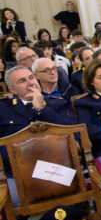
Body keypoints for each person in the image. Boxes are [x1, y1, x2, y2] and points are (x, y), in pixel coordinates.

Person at [1, 65, 73, 206]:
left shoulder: (56, 104)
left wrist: (42, 108)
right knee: (15, 198)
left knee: (71, 190)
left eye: (31, 78)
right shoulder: (3, 109)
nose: (30, 83)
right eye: (22, 81)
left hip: (56, 166)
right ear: (12, 90)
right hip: (18, 171)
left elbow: (71, 132)